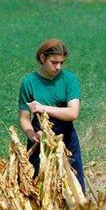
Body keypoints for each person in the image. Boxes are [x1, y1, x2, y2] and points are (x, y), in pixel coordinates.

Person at [18, 38, 87, 192]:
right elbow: (24, 118)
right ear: (43, 58)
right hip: (40, 140)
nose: (58, 67)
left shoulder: (69, 79)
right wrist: (32, 135)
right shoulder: (29, 82)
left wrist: (42, 108)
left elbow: (73, 113)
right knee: (38, 188)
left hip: (66, 138)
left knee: (74, 186)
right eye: (54, 62)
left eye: (61, 63)